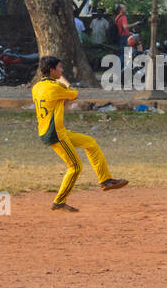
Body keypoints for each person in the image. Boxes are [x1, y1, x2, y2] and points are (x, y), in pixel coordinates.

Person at [31, 55, 128, 211]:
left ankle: (105, 180)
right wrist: (62, 79)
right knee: (75, 166)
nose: (62, 70)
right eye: (60, 68)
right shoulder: (55, 87)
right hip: (54, 133)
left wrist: (61, 88)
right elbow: (74, 94)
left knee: (90, 143)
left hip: (56, 130)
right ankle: (59, 202)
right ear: (52, 70)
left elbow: (60, 101)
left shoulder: (36, 87)